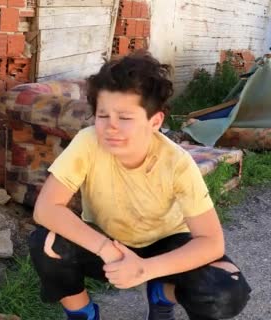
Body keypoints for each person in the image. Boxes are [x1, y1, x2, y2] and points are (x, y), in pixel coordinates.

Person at [28, 51, 251, 320]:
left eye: (124, 118)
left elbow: (211, 242)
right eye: (103, 116)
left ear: (154, 122)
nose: (110, 128)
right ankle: (83, 314)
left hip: (166, 243)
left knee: (226, 289)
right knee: (46, 242)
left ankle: (161, 293)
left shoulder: (177, 163)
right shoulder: (88, 142)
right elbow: (46, 209)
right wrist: (106, 249)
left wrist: (145, 269)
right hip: (107, 238)